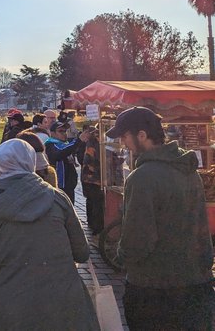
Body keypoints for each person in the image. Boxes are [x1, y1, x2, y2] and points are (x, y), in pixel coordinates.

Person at [0, 139, 98, 331]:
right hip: (62, 304)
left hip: (6, 308)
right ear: (30, 163)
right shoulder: (57, 198)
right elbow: (82, 253)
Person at [105, 107, 214, 329]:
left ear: (142, 135)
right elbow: (201, 226)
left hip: (155, 287)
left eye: (125, 136)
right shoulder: (189, 171)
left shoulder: (142, 177)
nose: (124, 143)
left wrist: (122, 257)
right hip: (195, 282)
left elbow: (138, 238)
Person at [45, 121, 90, 203]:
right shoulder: (50, 145)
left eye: (65, 131)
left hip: (69, 186)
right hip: (60, 186)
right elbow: (61, 153)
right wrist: (78, 140)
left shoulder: (65, 144)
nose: (64, 133)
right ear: (52, 133)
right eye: (60, 131)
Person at [81, 127, 104, 236]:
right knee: (96, 202)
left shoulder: (93, 138)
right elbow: (91, 158)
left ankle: (92, 224)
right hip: (94, 176)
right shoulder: (96, 140)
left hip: (89, 176)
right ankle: (97, 227)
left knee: (91, 200)